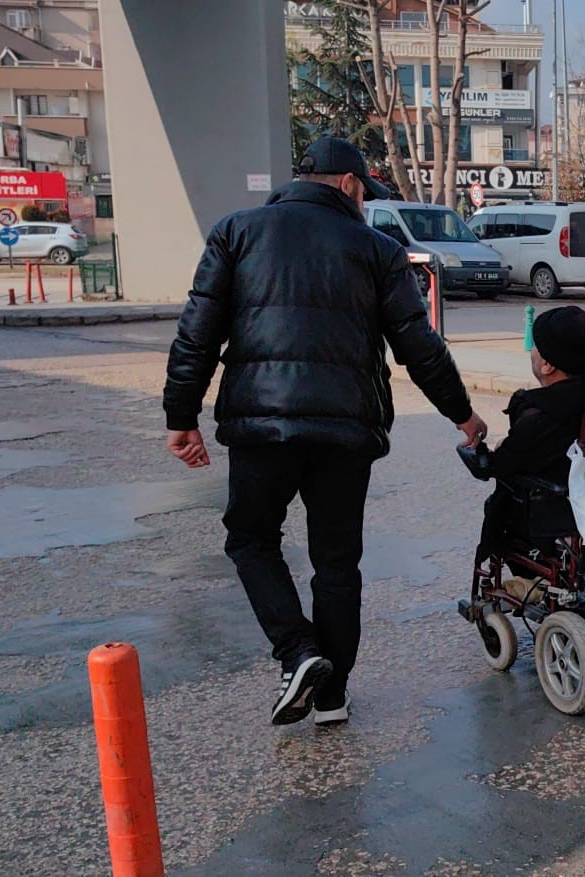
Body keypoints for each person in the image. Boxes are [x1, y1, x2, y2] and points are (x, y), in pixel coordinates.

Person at [163, 136, 487, 727]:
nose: (364, 202)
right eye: (364, 190)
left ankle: (299, 652)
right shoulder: (378, 249)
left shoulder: (236, 232)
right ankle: (331, 695)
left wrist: (181, 416)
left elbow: (196, 334)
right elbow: (419, 345)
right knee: (337, 563)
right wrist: (462, 415)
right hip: (345, 432)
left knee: (250, 538)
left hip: (262, 426)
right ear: (345, 183)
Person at [470, 306, 585, 561]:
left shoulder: (547, 415)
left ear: (546, 365)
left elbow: (503, 465)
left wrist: (485, 456)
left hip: (570, 519)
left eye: (535, 346)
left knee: (503, 503)